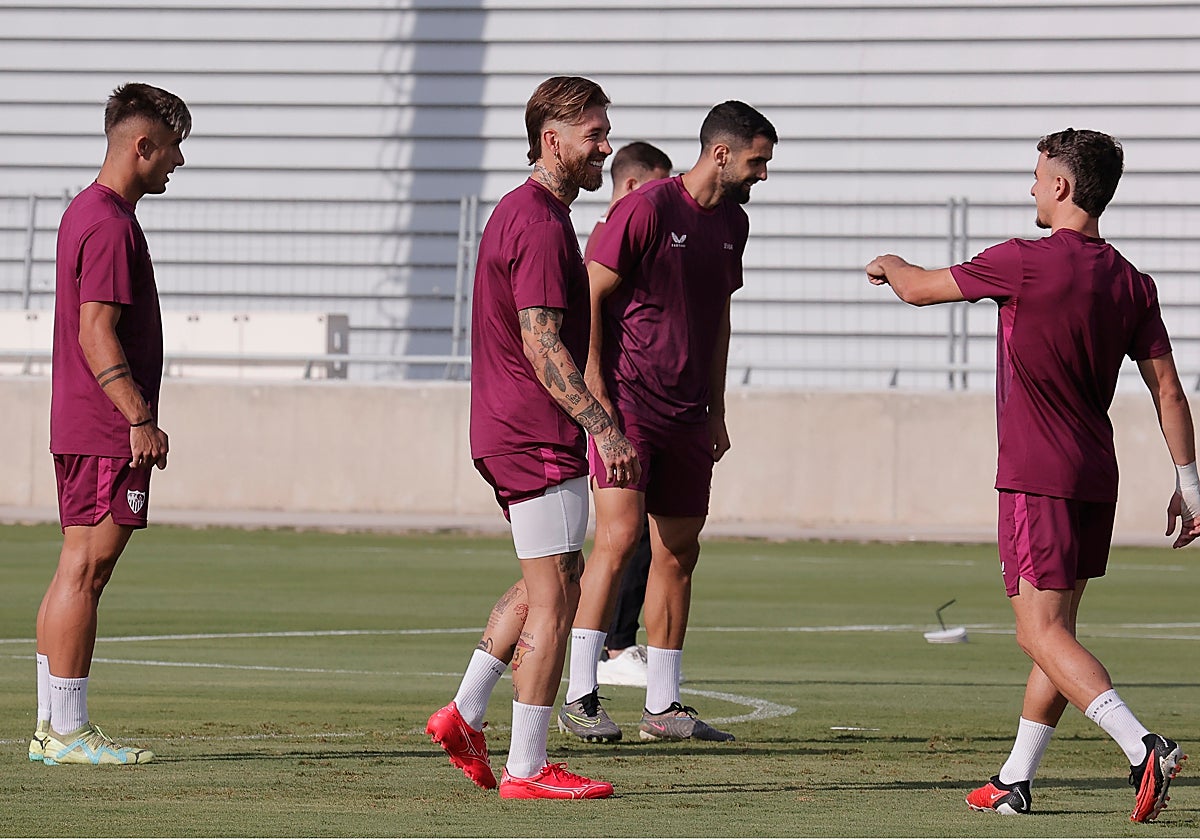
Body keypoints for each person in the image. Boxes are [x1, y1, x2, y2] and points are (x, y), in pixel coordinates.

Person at [865, 128, 1195, 823]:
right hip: (1094, 475)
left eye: (1039, 176)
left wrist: (889, 263)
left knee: (1038, 634)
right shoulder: (1132, 282)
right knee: (1057, 633)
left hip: (1036, 475)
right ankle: (1016, 779)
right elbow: (1167, 388)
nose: (1032, 187)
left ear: (1063, 187)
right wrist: (1190, 483)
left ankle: (1143, 746)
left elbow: (919, 290)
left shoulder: (1023, 261)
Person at [424, 75, 640, 800]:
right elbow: (542, 344)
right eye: (594, 135)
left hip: (513, 429)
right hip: (533, 434)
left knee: (552, 576)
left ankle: (464, 711)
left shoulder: (528, 212)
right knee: (555, 599)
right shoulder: (540, 222)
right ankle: (526, 767)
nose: (605, 148)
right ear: (553, 139)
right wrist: (604, 428)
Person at [558, 101, 776, 743]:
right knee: (619, 539)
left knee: (679, 552)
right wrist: (597, 397)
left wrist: (718, 410)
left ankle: (663, 706)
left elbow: (719, 318)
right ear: (721, 154)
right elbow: (590, 294)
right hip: (628, 405)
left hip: (689, 415)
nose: (763, 175)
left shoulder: (733, 223)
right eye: (758, 161)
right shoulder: (647, 208)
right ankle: (580, 695)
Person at [30, 83, 190, 766]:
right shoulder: (110, 224)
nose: (178, 162)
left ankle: (50, 727)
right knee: (86, 571)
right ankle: (68, 730)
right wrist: (139, 417)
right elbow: (96, 331)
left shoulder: (86, 212)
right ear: (142, 145)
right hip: (105, 428)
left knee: (74, 567)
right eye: (174, 147)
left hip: (83, 422)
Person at [582, 141, 673, 689]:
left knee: (634, 535)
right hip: (615, 402)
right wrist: (597, 392)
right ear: (635, 186)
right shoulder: (613, 235)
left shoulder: (636, 233)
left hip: (644, 403)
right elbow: (589, 305)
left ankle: (613, 645)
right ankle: (607, 650)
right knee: (620, 536)